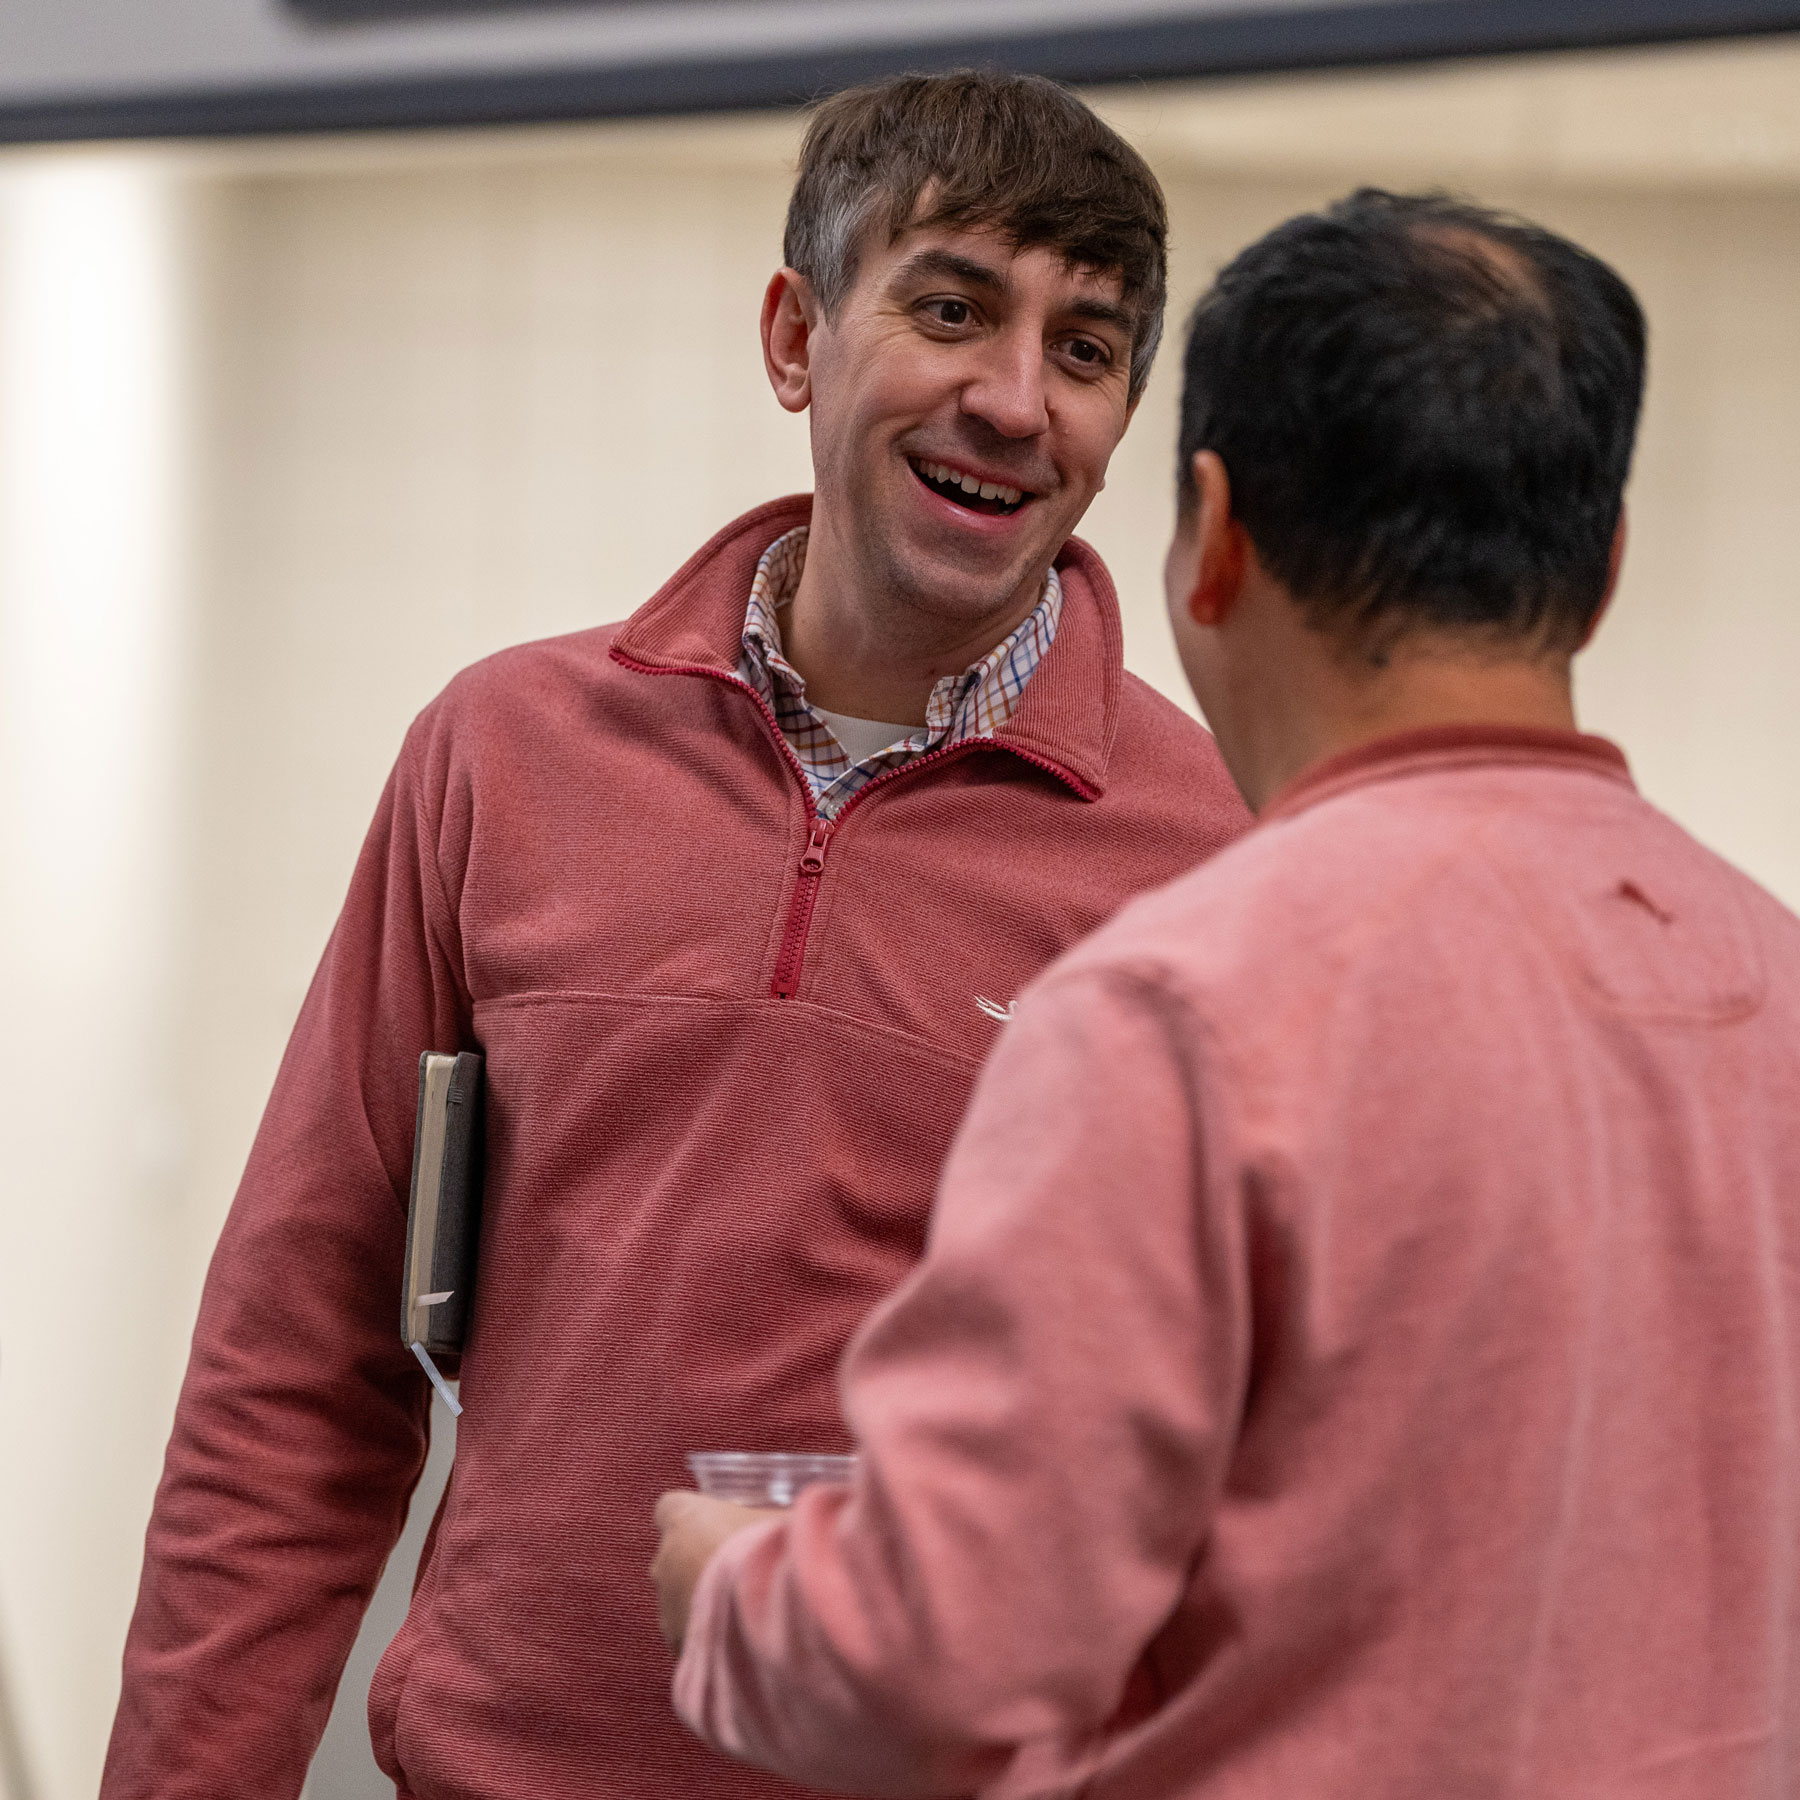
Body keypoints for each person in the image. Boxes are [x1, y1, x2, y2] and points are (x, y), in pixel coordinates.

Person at [101, 72, 1250, 1800]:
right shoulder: (505, 755)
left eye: (1085, 352)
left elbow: (1235, 1487)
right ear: (798, 336)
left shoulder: (1218, 864)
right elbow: (296, 1365)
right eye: (951, 308)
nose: (1016, 401)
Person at [652, 190, 1800, 1799]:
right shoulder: (1772, 977)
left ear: (1215, 535)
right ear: (1602, 570)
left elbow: (938, 1668)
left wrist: (735, 1590)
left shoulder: (1182, 1009)